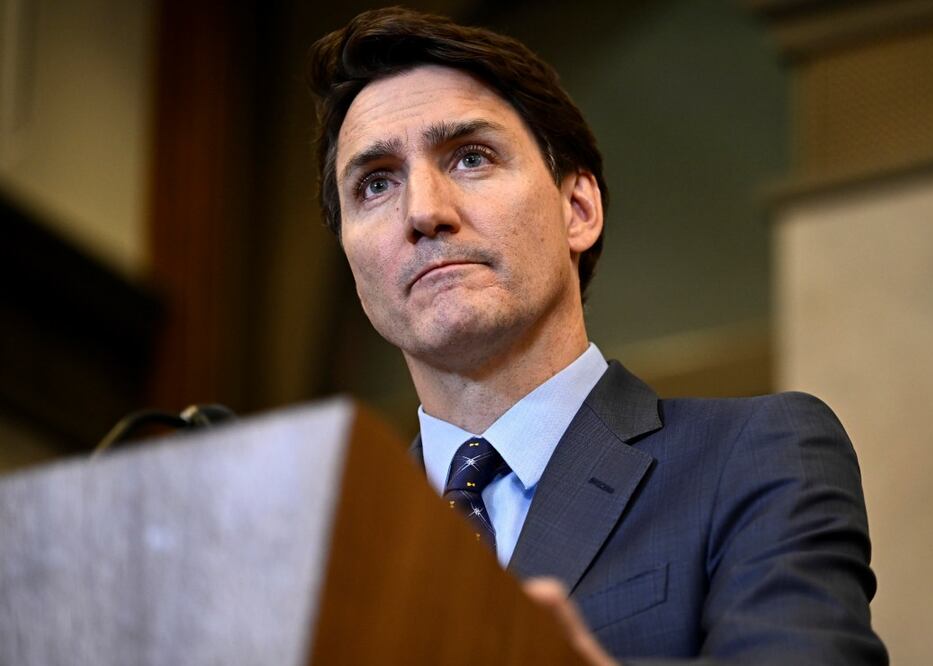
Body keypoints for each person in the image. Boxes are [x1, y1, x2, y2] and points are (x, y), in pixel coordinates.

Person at [309, 7, 888, 664]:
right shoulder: (323, 551)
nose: (423, 212)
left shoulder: (756, 455)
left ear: (577, 209)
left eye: (470, 157)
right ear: (355, 262)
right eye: (376, 182)